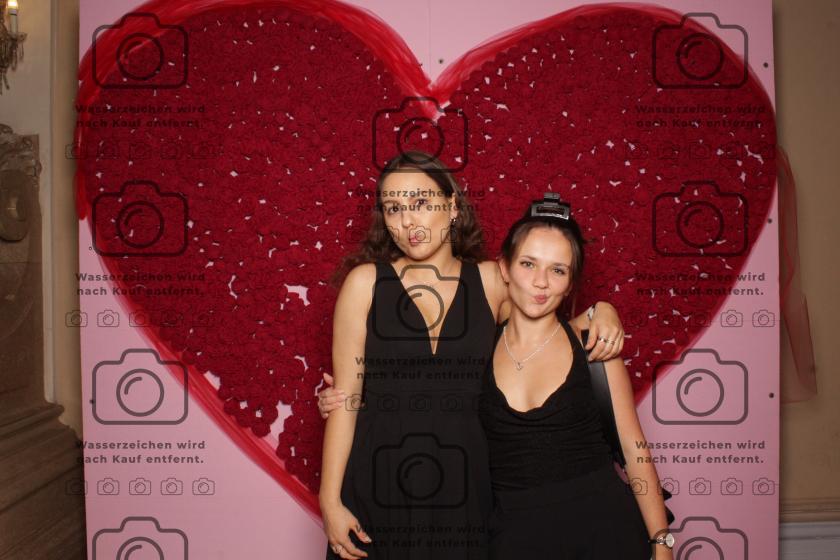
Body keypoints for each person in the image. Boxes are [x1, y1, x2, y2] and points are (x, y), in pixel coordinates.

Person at [319, 151, 625, 560]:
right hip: (378, 480)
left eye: (420, 202)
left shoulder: (490, 280)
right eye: (393, 208)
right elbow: (346, 401)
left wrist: (600, 312)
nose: (407, 220)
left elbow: (542, 337)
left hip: (466, 487)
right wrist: (329, 500)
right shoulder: (364, 284)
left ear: (451, 207)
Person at [478, 195, 673, 559]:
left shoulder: (594, 348)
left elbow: (635, 452)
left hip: (607, 535)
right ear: (503, 268)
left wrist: (662, 543)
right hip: (513, 541)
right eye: (528, 264)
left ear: (570, 283)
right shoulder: (476, 352)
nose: (540, 282)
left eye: (558, 270)